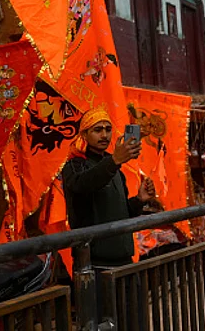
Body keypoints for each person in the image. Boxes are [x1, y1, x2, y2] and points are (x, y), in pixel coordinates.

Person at [62, 108, 155, 267]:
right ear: (84, 134)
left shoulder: (116, 170)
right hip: (93, 262)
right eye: (97, 130)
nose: (104, 135)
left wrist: (140, 199)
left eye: (108, 129)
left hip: (123, 258)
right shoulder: (74, 165)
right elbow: (83, 184)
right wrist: (114, 161)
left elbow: (122, 214)